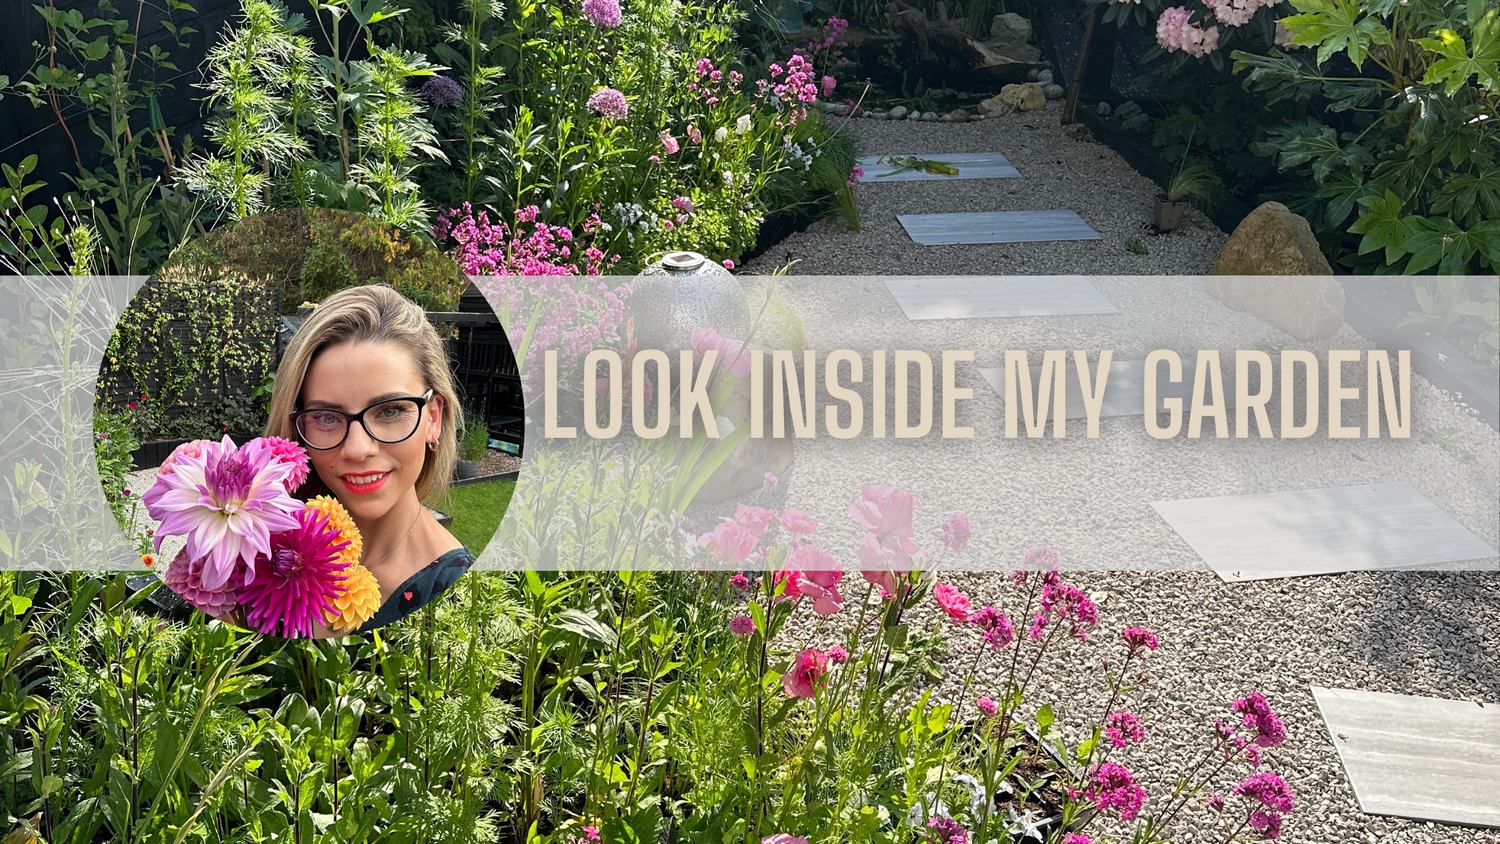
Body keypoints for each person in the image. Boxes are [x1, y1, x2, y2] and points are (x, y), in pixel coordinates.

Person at [263, 284, 474, 634]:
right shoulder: (264, 552)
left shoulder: (459, 598)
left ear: (433, 419)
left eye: (390, 411)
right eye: (327, 417)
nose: (358, 449)